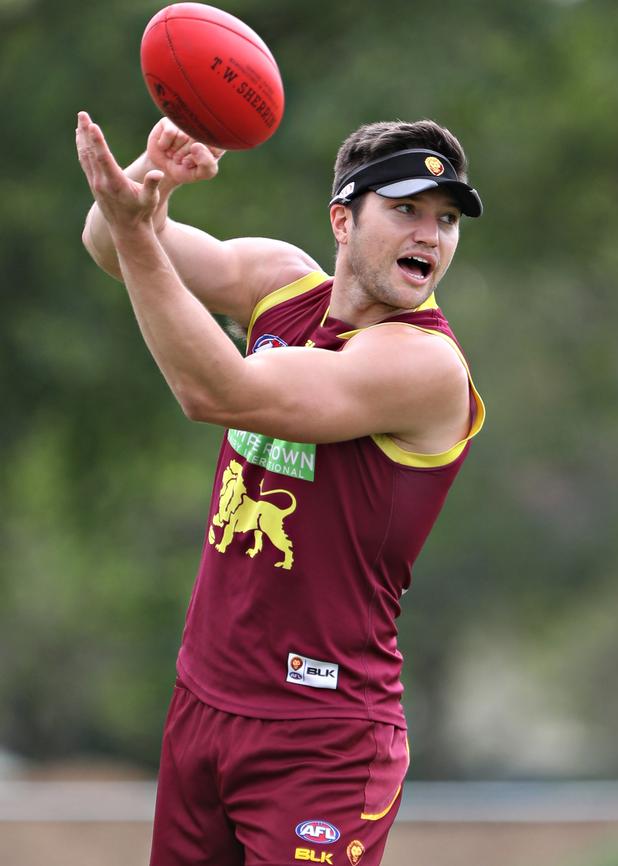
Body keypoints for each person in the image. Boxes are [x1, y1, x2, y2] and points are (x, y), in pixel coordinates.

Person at [76, 111, 485, 866]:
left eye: (447, 219)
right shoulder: (276, 283)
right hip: (202, 699)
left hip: (323, 738)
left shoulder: (424, 365)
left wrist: (136, 232)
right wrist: (147, 182)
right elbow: (109, 244)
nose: (430, 235)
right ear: (342, 218)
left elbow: (215, 392)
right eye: (404, 211)